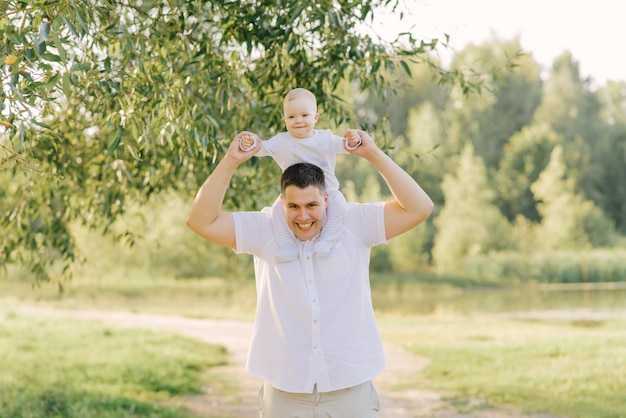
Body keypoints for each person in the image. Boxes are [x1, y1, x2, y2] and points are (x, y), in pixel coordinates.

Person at [186, 128, 434, 417]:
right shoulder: (264, 229)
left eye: (312, 205)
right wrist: (230, 160)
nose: (303, 217)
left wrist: (372, 154)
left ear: (326, 199)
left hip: (348, 388)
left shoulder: (355, 223)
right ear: (282, 202)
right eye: (293, 206)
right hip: (285, 390)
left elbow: (420, 207)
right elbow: (200, 221)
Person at [239, 88, 362, 261]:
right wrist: (248, 143)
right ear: (284, 120)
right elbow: (260, 148)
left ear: (315, 117)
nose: (298, 121)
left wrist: (353, 139)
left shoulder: (325, 139)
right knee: (276, 211)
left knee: (339, 205)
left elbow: (348, 146)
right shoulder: (281, 141)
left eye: (304, 115)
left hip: (327, 191)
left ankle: (328, 240)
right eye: (291, 117)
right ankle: (287, 245)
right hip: (293, 197)